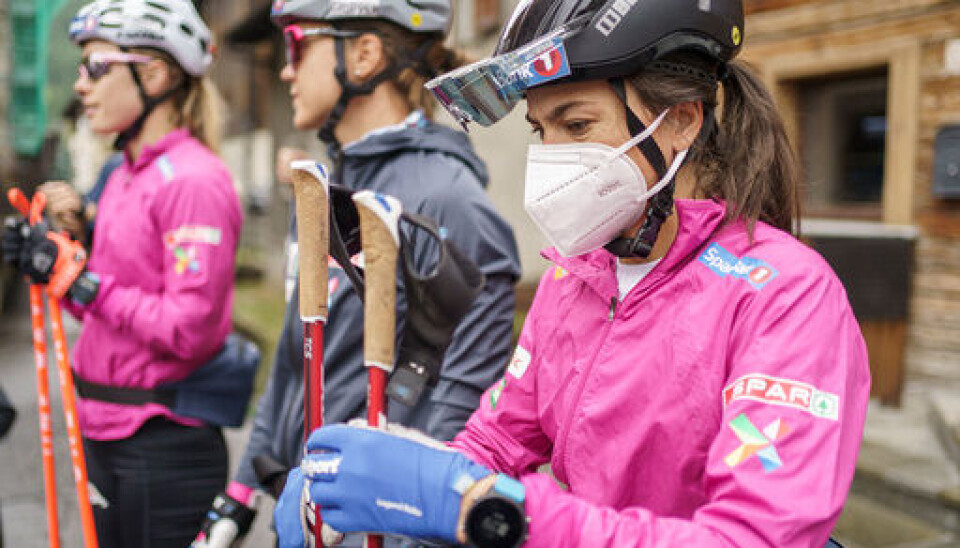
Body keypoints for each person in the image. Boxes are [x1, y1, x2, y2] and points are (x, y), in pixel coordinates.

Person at [275, 0, 872, 547]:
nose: (551, 156)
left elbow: (755, 538)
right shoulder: (578, 275)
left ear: (682, 121)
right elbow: (498, 439)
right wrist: (393, 472)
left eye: (577, 125)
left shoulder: (786, 294)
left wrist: (484, 508)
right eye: (542, 130)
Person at [193, 1, 521, 546]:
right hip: (307, 511)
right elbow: (294, 362)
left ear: (364, 54)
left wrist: (397, 527)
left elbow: (463, 408)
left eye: (298, 44)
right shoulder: (327, 190)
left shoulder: (448, 201)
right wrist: (243, 489)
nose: (285, 70)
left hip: (374, 527)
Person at [2, 1, 242, 546]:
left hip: (160, 445)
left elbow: (189, 327)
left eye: (95, 67)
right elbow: (105, 307)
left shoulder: (192, 182)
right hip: (105, 431)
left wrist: (83, 283)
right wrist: (51, 263)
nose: (82, 85)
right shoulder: (125, 174)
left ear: (153, 73)